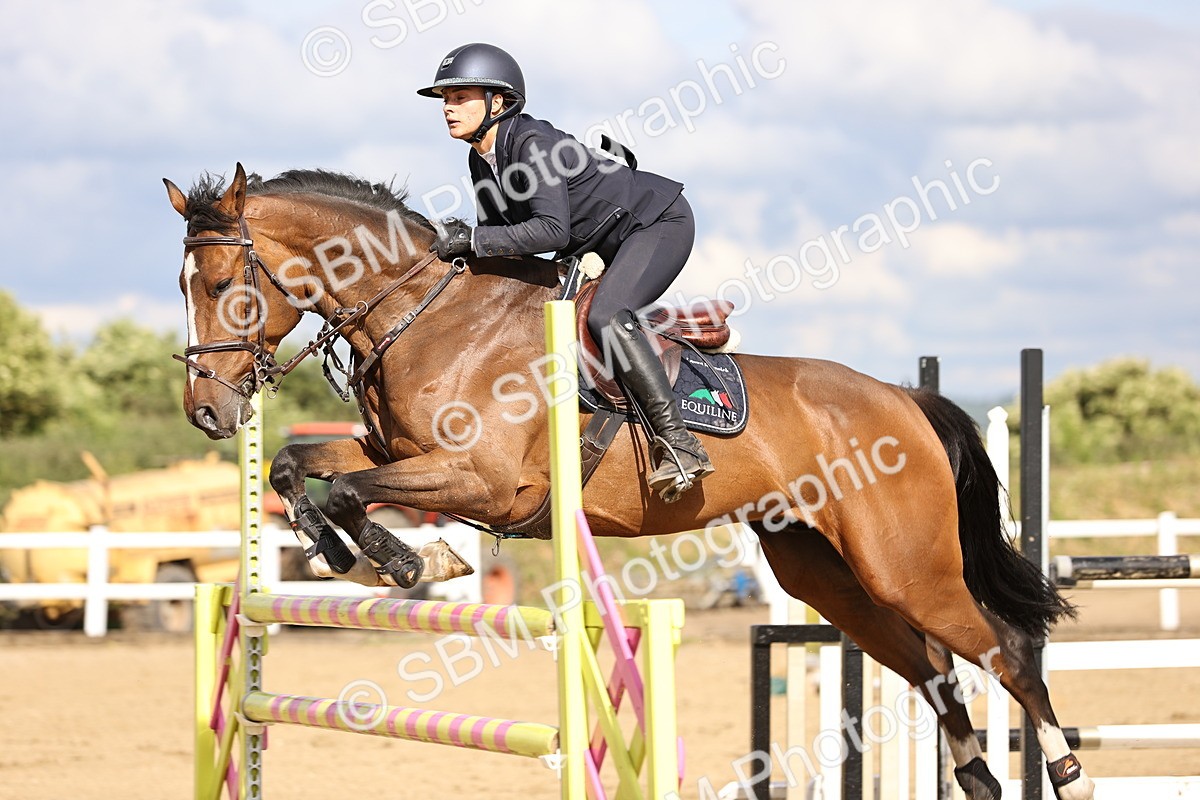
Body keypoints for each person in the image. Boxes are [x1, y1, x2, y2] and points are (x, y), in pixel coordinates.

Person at [418, 42, 713, 502]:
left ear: (499, 101)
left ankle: (680, 444)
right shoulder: (481, 159)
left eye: (460, 98)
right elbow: (503, 241)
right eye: (445, 100)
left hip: (656, 222)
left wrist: (472, 240)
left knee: (606, 317)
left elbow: (550, 231)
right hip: (601, 239)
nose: (448, 109)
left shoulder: (531, 144)